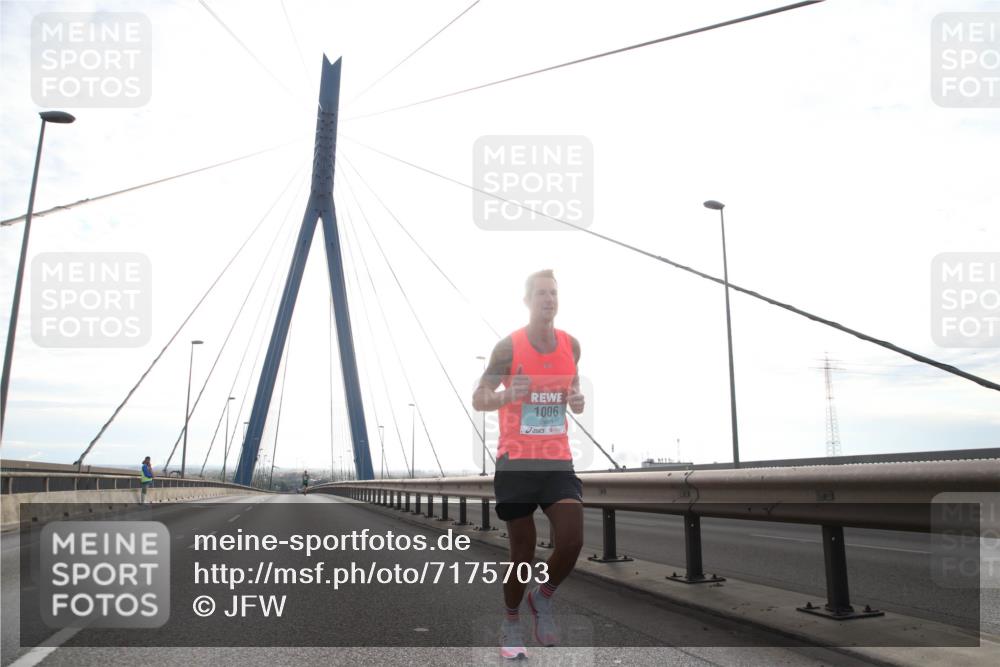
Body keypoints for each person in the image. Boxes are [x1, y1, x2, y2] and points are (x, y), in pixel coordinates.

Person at [472, 269, 585, 659]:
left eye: (553, 293)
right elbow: (479, 396)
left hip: (557, 460)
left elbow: (571, 388)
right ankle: (511, 621)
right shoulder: (508, 347)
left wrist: (576, 398)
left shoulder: (572, 345)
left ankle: (543, 598)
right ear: (527, 301)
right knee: (523, 551)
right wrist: (506, 397)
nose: (548, 299)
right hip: (516, 462)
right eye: (540, 293)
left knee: (571, 541)